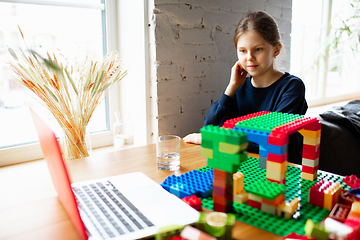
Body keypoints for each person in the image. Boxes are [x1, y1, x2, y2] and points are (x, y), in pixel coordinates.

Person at [183, 11, 308, 164]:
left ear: (276, 50)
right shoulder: (239, 87)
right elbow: (210, 128)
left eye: (258, 49)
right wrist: (232, 87)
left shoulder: (291, 87)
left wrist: (221, 138)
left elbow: (274, 142)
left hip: (279, 170)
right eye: (243, 50)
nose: (249, 57)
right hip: (243, 166)